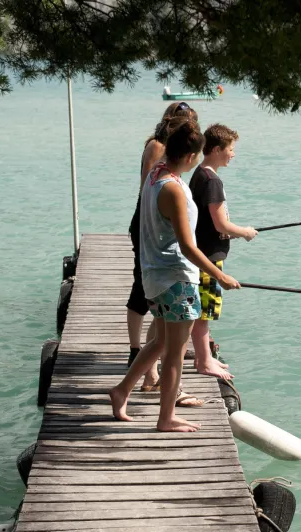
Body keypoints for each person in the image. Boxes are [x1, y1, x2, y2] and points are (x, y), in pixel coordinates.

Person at [110, 118, 240, 432]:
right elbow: (188, 246)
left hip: (155, 277)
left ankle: (121, 390)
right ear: (190, 156)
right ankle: (165, 418)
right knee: (174, 354)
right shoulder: (173, 190)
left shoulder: (155, 175)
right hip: (176, 279)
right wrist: (219, 276)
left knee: (159, 342)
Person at [126, 102, 197, 381]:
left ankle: (141, 375)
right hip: (152, 224)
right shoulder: (158, 150)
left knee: (161, 327)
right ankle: (137, 353)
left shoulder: (173, 168)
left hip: (161, 227)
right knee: (142, 290)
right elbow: (149, 189)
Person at [189, 124, 257, 380]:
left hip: (201, 251)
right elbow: (220, 224)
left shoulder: (199, 174)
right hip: (208, 256)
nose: (233, 154)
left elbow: (210, 223)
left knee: (201, 309)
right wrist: (244, 232)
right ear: (217, 150)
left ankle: (203, 356)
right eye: (230, 149)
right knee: (204, 311)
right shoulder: (213, 181)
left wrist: (230, 232)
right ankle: (204, 361)